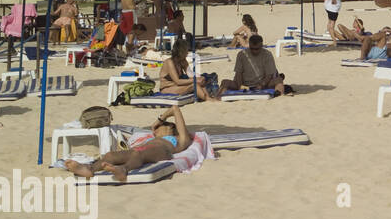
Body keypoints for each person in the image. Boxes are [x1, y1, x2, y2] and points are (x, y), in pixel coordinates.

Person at [65, 104, 195, 182]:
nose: (155, 130)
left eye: (160, 127)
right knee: (110, 155)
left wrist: (160, 119)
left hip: (163, 151)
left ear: (171, 127)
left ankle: (123, 170)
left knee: (137, 154)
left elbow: (175, 109)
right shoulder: (151, 138)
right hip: (143, 149)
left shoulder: (179, 140)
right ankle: (89, 169)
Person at [220, 34, 287, 96]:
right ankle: (218, 98)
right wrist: (240, 86)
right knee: (224, 82)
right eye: (252, 49)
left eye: (257, 49)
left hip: (263, 83)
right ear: (249, 45)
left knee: (279, 80)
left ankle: (279, 95)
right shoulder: (241, 54)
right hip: (244, 84)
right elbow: (238, 73)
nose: (254, 51)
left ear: (261, 45)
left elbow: (269, 75)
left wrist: (261, 85)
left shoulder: (267, 54)